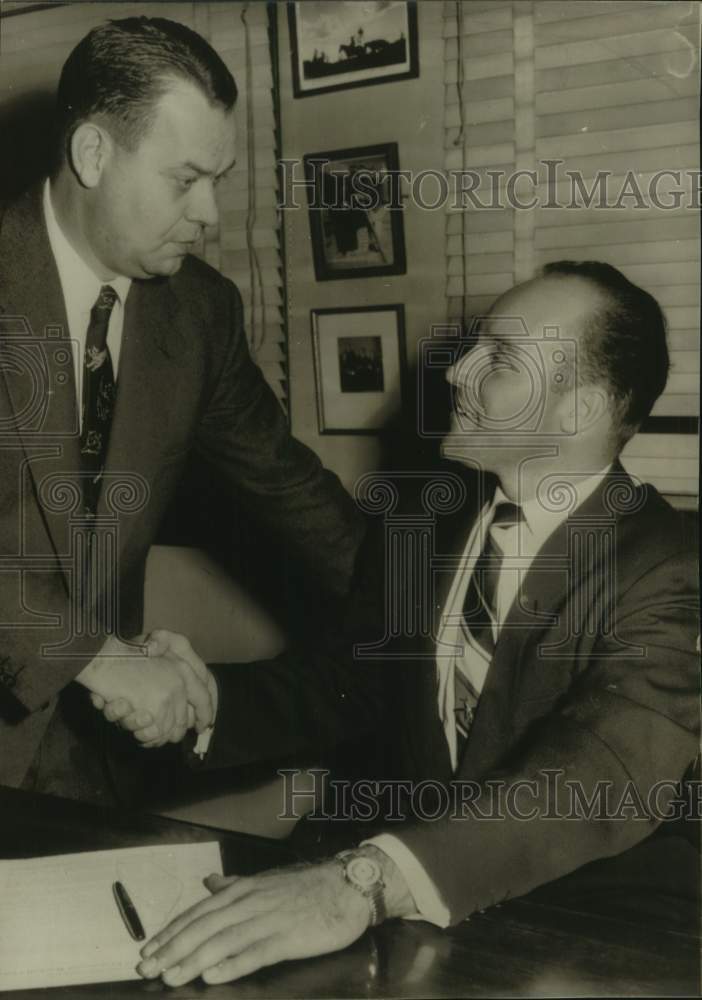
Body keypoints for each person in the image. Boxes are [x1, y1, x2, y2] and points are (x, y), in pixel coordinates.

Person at [103, 262, 698, 987]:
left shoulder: (666, 567)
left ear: (581, 409)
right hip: (407, 912)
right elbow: (349, 683)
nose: (459, 373)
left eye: (500, 359)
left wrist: (365, 880)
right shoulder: (428, 519)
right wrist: (201, 704)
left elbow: (597, 773)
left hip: (580, 934)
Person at [0, 17, 363, 802]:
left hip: (82, 753)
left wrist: (437, 603)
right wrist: (95, 654)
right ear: (93, 153)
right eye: (184, 179)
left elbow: (288, 488)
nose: (210, 216)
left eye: (219, 181)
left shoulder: (199, 313)